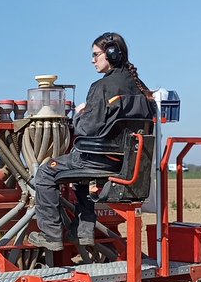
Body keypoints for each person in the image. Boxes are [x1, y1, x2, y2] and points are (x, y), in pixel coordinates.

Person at [28, 32, 154, 250]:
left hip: (96, 161)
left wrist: (78, 115)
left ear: (112, 54)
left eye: (96, 55)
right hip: (124, 164)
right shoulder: (141, 87)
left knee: (45, 173)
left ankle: (51, 235)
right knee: (81, 178)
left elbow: (87, 128)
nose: (92, 60)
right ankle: (84, 232)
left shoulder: (101, 87)